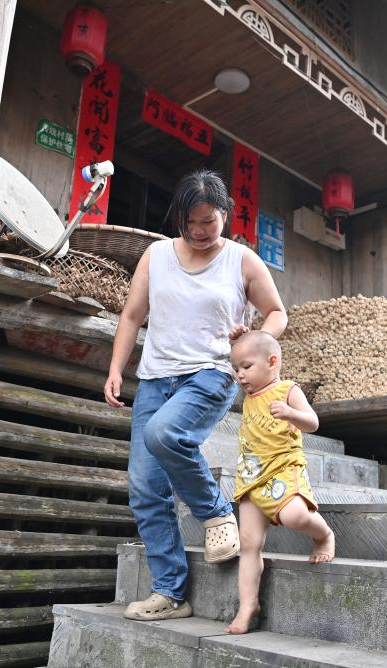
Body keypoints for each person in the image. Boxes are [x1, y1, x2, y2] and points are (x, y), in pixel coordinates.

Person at [104, 169, 287, 622]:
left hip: (212, 373)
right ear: (179, 218)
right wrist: (115, 369)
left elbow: (276, 313)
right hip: (155, 378)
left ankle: (216, 512)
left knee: (165, 434)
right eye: (191, 222)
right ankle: (170, 593)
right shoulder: (156, 255)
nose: (201, 231)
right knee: (145, 489)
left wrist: (254, 341)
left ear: (225, 214)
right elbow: (132, 315)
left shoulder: (241, 261)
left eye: (209, 221)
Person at [224, 330, 335, 635]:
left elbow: (313, 422)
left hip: (283, 469)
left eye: (246, 366)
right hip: (251, 477)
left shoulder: (287, 389)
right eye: (236, 368)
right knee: (249, 543)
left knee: (295, 516)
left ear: (272, 362)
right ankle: (248, 605)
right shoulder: (250, 396)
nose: (240, 375)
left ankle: (324, 534)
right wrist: (239, 340)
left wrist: (290, 413)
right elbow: (246, 348)